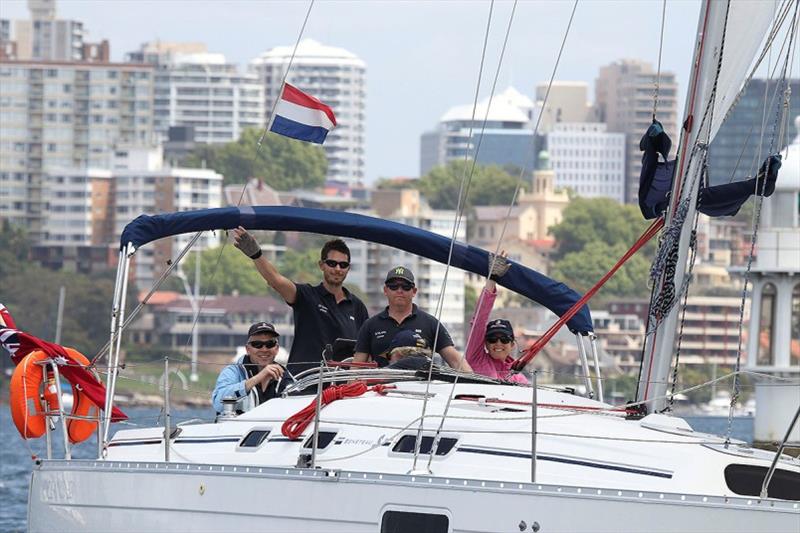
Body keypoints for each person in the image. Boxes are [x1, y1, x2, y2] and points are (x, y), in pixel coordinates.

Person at [233, 227, 369, 375]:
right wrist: (256, 254)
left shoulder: (357, 307)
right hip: (303, 385)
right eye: (332, 263)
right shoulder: (307, 296)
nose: (337, 268)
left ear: (348, 268)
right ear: (321, 265)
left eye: (343, 265)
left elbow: (366, 348)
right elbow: (276, 281)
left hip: (343, 389)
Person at [353, 266, 472, 371]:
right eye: (393, 286)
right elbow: (356, 368)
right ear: (385, 290)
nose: (399, 290)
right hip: (380, 392)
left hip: (420, 392)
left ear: (414, 291)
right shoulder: (370, 325)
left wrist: (475, 387)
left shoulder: (430, 323)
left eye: (405, 286)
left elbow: (456, 361)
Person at [464, 253, 528, 384]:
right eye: (492, 339)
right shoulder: (476, 358)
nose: (498, 343)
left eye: (504, 339)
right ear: (485, 343)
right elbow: (478, 323)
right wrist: (492, 279)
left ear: (512, 344)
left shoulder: (519, 378)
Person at [212, 322, 292, 413]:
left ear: (277, 349)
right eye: (257, 344)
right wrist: (257, 378)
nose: (264, 349)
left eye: (270, 344)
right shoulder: (232, 372)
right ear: (248, 349)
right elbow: (218, 403)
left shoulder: (286, 376)